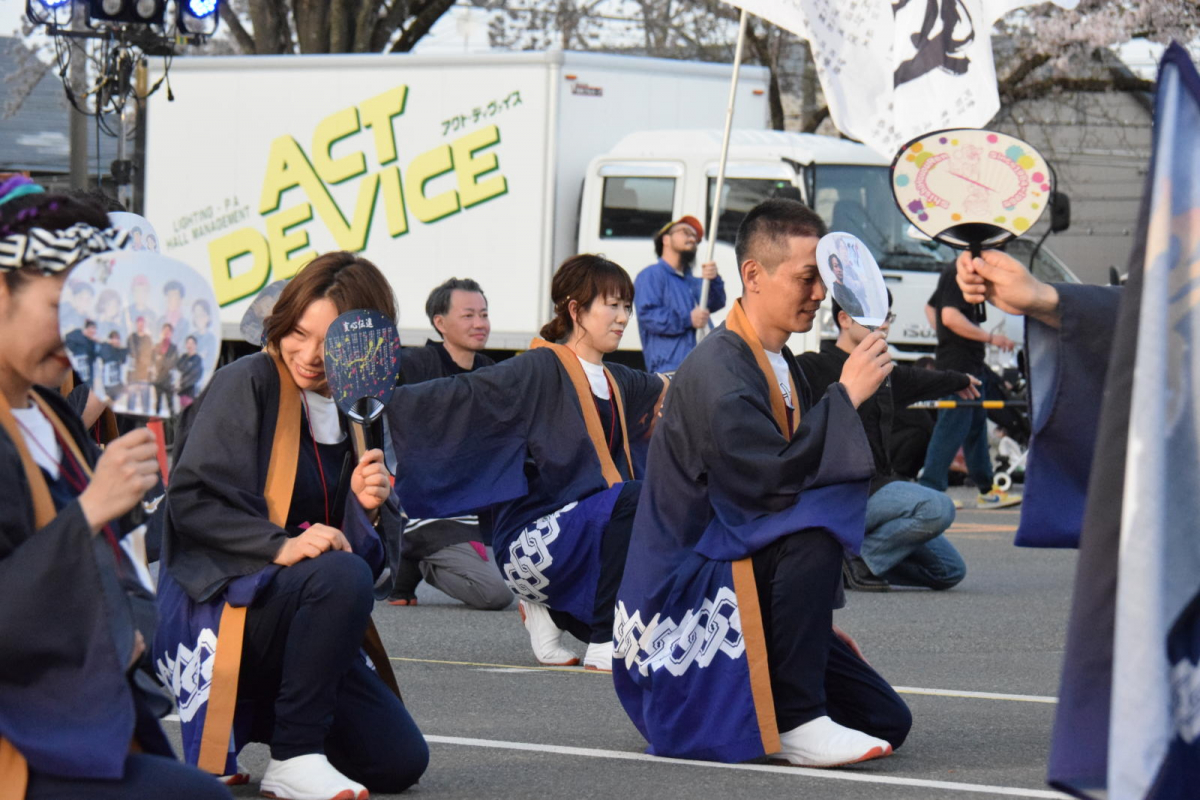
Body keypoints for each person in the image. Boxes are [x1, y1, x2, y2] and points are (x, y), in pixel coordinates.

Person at [614, 198, 911, 767]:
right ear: (753, 275)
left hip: (737, 561)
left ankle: (792, 685)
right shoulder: (720, 371)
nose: (820, 295)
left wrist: (808, 624)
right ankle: (798, 720)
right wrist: (845, 396)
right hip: (684, 595)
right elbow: (770, 488)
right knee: (813, 529)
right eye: (806, 279)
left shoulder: (779, 360)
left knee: (886, 719)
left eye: (822, 281)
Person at [156, 252, 428, 799]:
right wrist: (276, 545)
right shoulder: (248, 381)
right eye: (298, 333)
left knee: (398, 762)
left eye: (330, 343)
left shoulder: (362, 412)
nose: (308, 355)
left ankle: (275, 726)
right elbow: (190, 501)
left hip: (301, 621)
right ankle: (294, 755)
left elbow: (372, 569)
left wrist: (365, 510)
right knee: (338, 574)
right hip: (224, 609)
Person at [0, 186, 230, 798]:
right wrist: (90, 509)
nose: (79, 333)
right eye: (59, 307)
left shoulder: (51, 412)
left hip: (75, 712)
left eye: (91, 311)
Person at [387, 255, 668, 670]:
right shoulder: (535, 368)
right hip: (529, 541)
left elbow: (672, 389)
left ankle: (549, 613)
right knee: (633, 497)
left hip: (587, 533)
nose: (623, 317)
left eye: (627, 306)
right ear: (576, 310)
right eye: (612, 305)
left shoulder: (617, 379)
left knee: (663, 517)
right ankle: (605, 640)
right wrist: (378, 397)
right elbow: (457, 397)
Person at [797, 294, 974, 591]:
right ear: (843, 320)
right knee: (938, 507)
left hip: (878, 489)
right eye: (873, 317)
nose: (883, 326)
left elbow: (921, 379)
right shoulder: (811, 367)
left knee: (949, 570)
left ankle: (841, 564)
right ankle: (862, 560)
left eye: (886, 317)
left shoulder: (884, 373)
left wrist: (960, 380)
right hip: (838, 496)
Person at [387, 277, 511, 612]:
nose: (480, 324)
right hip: (423, 502)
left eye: (483, 315)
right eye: (468, 315)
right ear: (439, 322)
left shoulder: (490, 371)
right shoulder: (414, 365)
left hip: (470, 504)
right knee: (496, 594)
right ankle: (419, 552)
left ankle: (408, 562)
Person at [918, 261, 1021, 508]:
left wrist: (945, 335)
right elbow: (950, 316)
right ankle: (929, 491)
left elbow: (930, 309)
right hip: (959, 365)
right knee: (952, 426)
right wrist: (990, 337)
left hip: (968, 363)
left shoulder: (952, 271)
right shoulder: (959, 273)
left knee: (974, 427)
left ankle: (986, 489)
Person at [634, 215, 726, 372]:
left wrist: (714, 279)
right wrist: (688, 319)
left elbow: (717, 302)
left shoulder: (693, 281)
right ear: (666, 240)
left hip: (703, 367)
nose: (692, 238)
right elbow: (648, 316)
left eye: (694, 237)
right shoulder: (651, 275)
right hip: (670, 368)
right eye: (685, 232)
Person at [126, 316, 154, 414]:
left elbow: (150, 356)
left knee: (145, 403)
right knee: (131, 404)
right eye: (139, 323)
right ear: (136, 324)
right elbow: (129, 356)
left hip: (144, 375)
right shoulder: (131, 338)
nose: (141, 325)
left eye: (143, 323)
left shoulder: (148, 339)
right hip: (133, 374)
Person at [152, 322, 179, 417]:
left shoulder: (174, 348)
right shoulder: (156, 347)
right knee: (157, 405)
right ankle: (155, 428)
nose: (166, 333)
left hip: (168, 381)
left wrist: (161, 360)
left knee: (170, 405)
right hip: (158, 380)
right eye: (165, 330)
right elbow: (152, 362)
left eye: (169, 331)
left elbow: (173, 363)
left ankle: (173, 429)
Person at [827, 253, 864, 319]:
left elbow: (860, 308)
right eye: (835, 266)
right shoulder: (836, 289)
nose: (839, 270)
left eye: (840, 266)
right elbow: (849, 307)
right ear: (832, 269)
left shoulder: (848, 289)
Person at [176, 335, 204, 407]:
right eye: (188, 343)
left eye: (192, 343)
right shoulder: (184, 357)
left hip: (191, 391)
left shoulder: (198, 359)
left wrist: (184, 383)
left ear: (195, 345)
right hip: (182, 391)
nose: (190, 345)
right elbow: (179, 367)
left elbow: (195, 375)